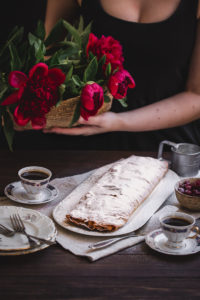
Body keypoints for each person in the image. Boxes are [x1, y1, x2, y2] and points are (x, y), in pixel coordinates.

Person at [3, 0, 200, 151]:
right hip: (82, 134)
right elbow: (50, 62)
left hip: (164, 143)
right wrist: (24, 110)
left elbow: (196, 96)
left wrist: (118, 122)